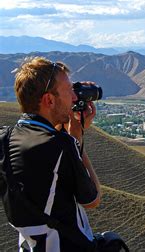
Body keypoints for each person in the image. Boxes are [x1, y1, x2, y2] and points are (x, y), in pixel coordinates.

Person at [0, 57, 101, 251]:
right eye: (69, 91)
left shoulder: (4, 138)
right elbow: (92, 199)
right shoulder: (60, 145)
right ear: (49, 100)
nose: (74, 98)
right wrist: (76, 138)